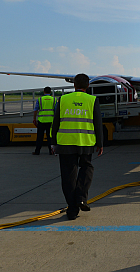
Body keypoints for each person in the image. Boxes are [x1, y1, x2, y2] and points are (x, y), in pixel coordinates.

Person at [52, 73, 103, 220]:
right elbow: (98, 124)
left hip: (65, 142)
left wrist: (53, 142)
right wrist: (100, 144)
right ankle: (81, 197)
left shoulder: (62, 99)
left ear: (74, 85)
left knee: (68, 175)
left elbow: (55, 122)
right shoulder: (93, 100)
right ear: (88, 86)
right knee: (87, 167)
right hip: (86, 142)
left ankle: (72, 209)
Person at [32, 87, 55, 155]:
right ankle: (51, 151)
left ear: (44, 91)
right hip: (50, 121)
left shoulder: (40, 99)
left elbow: (36, 110)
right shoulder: (54, 99)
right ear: (50, 92)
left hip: (41, 121)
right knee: (49, 137)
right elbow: (56, 111)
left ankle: (37, 151)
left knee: (39, 137)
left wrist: (34, 119)